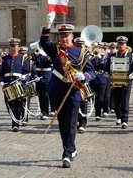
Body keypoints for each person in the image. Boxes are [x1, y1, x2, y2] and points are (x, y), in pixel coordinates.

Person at [40, 12, 96, 168]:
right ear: (59, 37)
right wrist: (48, 25)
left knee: (71, 124)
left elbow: (92, 72)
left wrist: (84, 76)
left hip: (74, 93)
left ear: (72, 36)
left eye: (67, 35)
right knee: (62, 124)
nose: (64, 38)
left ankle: (66, 154)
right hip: (58, 91)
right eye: (61, 36)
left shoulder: (81, 52)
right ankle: (71, 148)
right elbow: (44, 43)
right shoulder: (55, 50)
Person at [0, 38, 31, 132]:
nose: (13, 48)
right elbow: (2, 73)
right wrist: (1, 80)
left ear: (18, 46)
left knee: (17, 105)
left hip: (18, 84)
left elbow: (27, 73)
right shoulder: (5, 59)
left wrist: (24, 77)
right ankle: (14, 119)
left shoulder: (22, 59)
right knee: (8, 104)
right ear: (9, 47)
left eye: (15, 46)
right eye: (12, 46)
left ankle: (15, 124)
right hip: (8, 84)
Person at [106, 36, 133, 129]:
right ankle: (118, 117)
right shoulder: (112, 56)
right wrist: (107, 73)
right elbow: (107, 67)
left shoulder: (130, 56)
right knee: (116, 101)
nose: (121, 45)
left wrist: (132, 75)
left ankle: (124, 120)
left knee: (125, 101)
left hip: (126, 81)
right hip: (115, 81)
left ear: (126, 45)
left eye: (123, 44)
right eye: (119, 44)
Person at [30, 42, 53, 120]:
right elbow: (33, 65)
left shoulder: (49, 54)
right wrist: (35, 75)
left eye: (42, 47)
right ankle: (42, 111)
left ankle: (46, 112)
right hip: (38, 77)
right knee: (39, 95)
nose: (40, 48)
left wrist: (45, 55)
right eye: (40, 47)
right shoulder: (37, 55)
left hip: (47, 77)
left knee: (45, 96)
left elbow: (51, 62)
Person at [73, 37, 91, 133]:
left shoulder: (86, 54)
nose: (80, 47)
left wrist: (84, 76)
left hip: (83, 81)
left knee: (83, 103)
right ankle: (75, 122)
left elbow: (90, 70)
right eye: (78, 46)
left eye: (81, 45)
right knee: (74, 104)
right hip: (73, 81)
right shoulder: (72, 54)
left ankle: (83, 123)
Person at [90, 42, 108, 121]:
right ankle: (96, 110)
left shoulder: (105, 58)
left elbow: (105, 67)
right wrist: (93, 57)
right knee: (93, 97)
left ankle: (98, 114)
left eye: (99, 48)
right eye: (96, 48)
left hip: (101, 79)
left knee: (100, 97)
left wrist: (99, 57)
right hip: (93, 79)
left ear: (101, 49)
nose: (97, 50)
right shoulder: (91, 58)